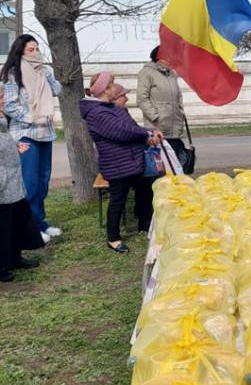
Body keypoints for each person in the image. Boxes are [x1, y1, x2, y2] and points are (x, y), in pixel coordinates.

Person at [80, 72, 163, 253]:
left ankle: (145, 223)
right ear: (105, 89)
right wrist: (147, 135)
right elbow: (122, 131)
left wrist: (149, 131)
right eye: (111, 85)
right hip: (117, 163)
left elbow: (132, 128)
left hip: (131, 160)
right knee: (117, 200)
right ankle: (113, 238)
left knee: (145, 190)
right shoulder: (96, 113)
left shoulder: (111, 108)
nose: (115, 89)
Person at [0, 34, 62, 244]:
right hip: (26, 133)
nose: (35, 53)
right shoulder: (13, 74)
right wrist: (32, 118)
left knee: (44, 180)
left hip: (46, 132)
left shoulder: (42, 71)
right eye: (30, 50)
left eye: (37, 48)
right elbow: (9, 105)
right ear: (21, 52)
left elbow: (57, 90)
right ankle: (31, 230)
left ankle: (40, 222)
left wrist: (46, 74)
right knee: (31, 183)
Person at [0, 90, 44, 282]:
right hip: (2, 182)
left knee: (16, 221)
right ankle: (2, 266)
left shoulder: (2, 118)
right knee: (2, 225)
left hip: (12, 180)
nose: (3, 100)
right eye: (0, 97)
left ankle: (15, 257)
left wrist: (14, 146)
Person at [137, 46, 191, 167]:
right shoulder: (147, 73)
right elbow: (141, 99)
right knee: (162, 166)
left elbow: (178, 96)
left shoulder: (171, 73)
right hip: (158, 127)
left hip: (174, 124)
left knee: (177, 163)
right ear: (160, 58)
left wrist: (180, 112)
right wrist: (156, 116)